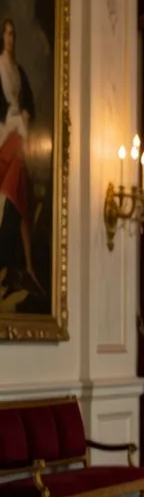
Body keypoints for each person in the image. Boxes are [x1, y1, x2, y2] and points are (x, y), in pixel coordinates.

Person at [0, 16, 40, 293]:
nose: (12, 39)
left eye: (14, 34)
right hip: (3, 132)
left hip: (19, 134)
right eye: (8, 34)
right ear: (2, 37)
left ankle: (26, 266)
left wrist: (25, 113)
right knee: (10, 191)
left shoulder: (20, 71)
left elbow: (32, 106)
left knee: (18, 193)